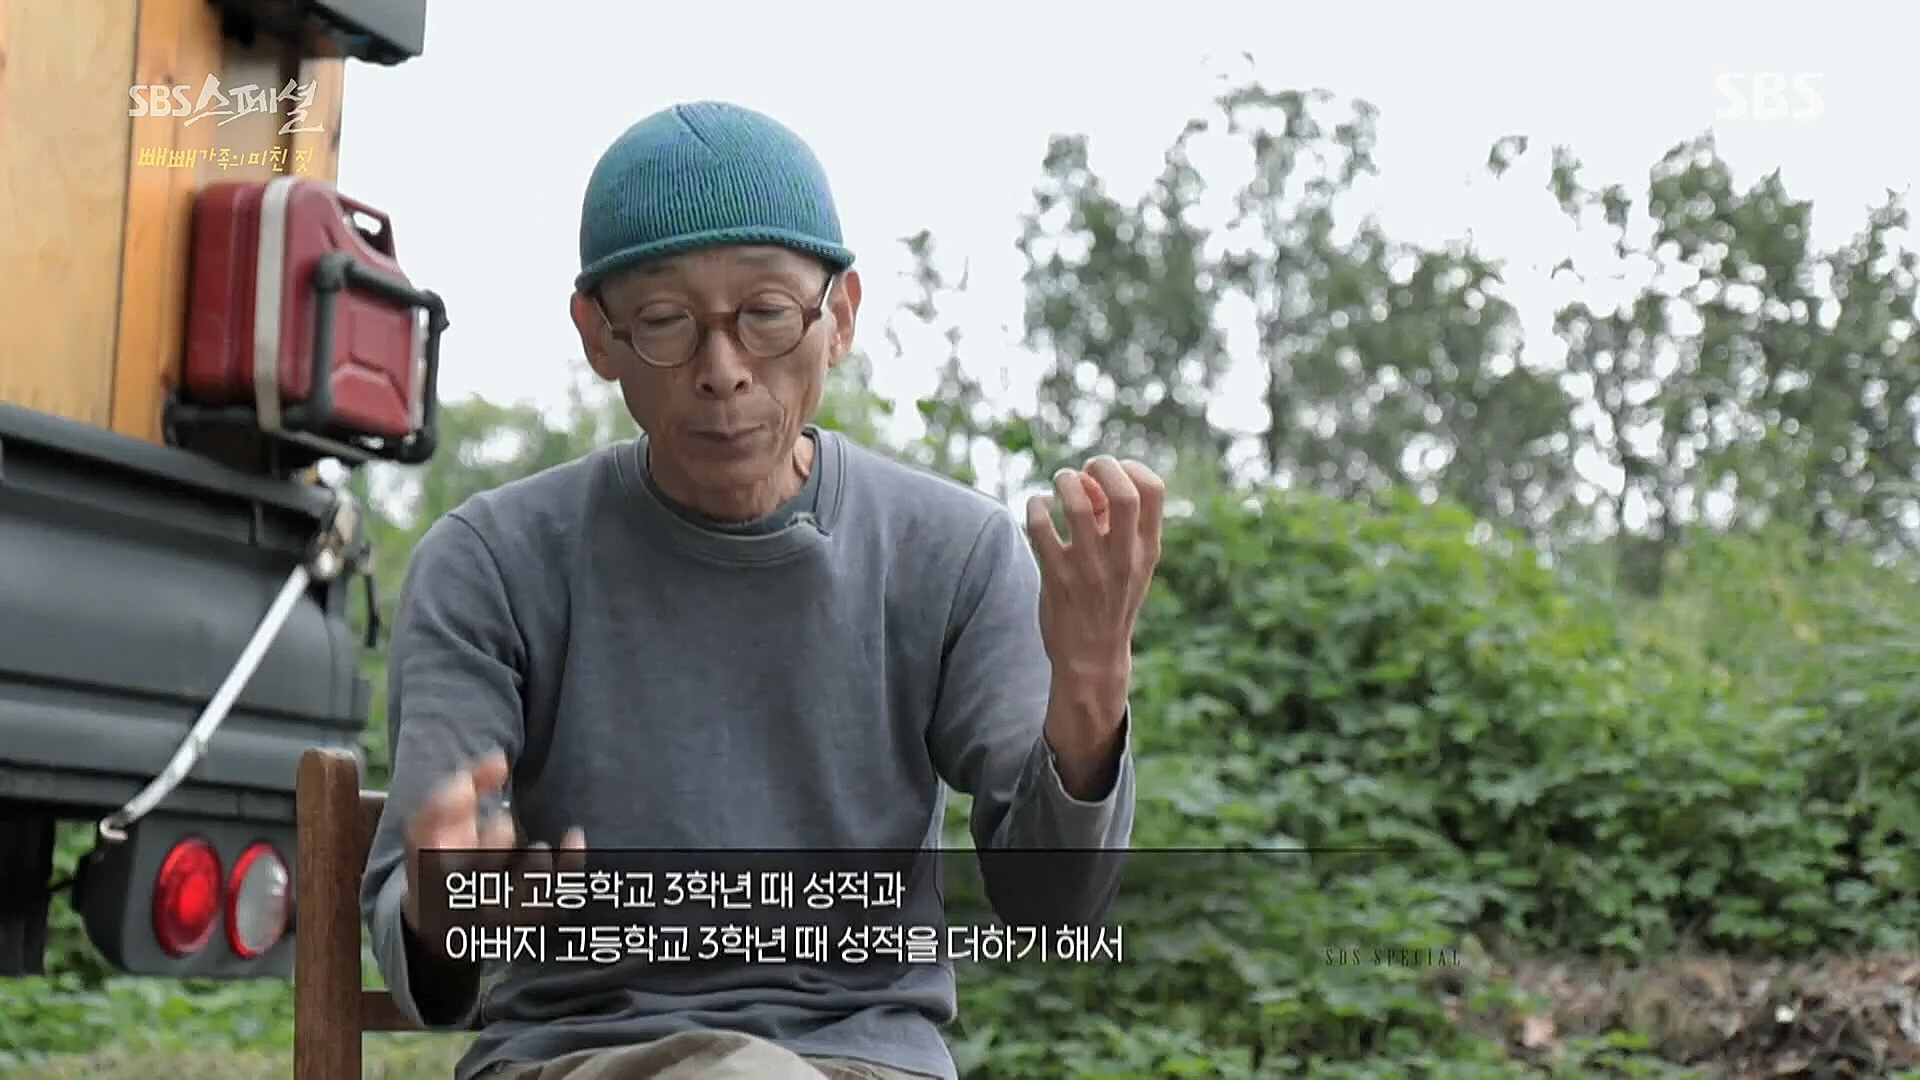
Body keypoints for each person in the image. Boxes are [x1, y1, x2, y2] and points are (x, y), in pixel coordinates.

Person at [360, 100, 1164, 1080]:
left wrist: (1091, 683)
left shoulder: (952, 553)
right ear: (598, 336)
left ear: (841, 317)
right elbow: (421, 942)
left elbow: (1052, 907)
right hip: (576, 1059)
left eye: (768, 314)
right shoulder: (493, 562)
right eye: (665, 323)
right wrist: (447, 910)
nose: (724, 371)